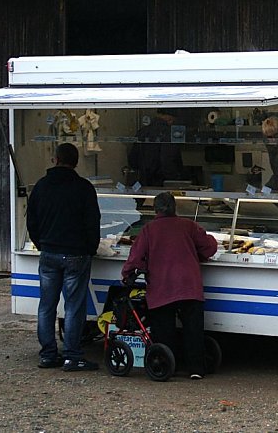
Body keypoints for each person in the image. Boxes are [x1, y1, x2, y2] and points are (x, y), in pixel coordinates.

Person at [121, 192, 218, 379]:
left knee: (163, 328)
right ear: (175, 207)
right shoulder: (189, 225)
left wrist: (127, 274)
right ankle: (196, 368)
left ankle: (167, 364)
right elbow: (209, 247)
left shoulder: (148, 230)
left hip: (161, 286)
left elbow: (135, 257)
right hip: (189, 285)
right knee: (193, 328)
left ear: (155, 209)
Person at [26, 142, 101, 371]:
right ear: (76, 163)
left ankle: (48, 355)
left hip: (49, 253)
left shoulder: (41, 186)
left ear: (55, 160)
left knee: (46, 306)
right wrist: (90, 248)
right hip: (76, 254)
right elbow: (93, 223)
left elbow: (31, 221)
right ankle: (72, 355)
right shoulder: (84, 188)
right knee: (74, 306)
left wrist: (42, 244)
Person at [127, 108, 185, 186]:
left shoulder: (142, 132)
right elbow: (167, 161)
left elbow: (133, 160)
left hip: (144, 183)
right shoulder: (169, 134)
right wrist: (176, 180)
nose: (172, 123)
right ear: (169, 118)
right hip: (162, 183)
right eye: (172, 121)